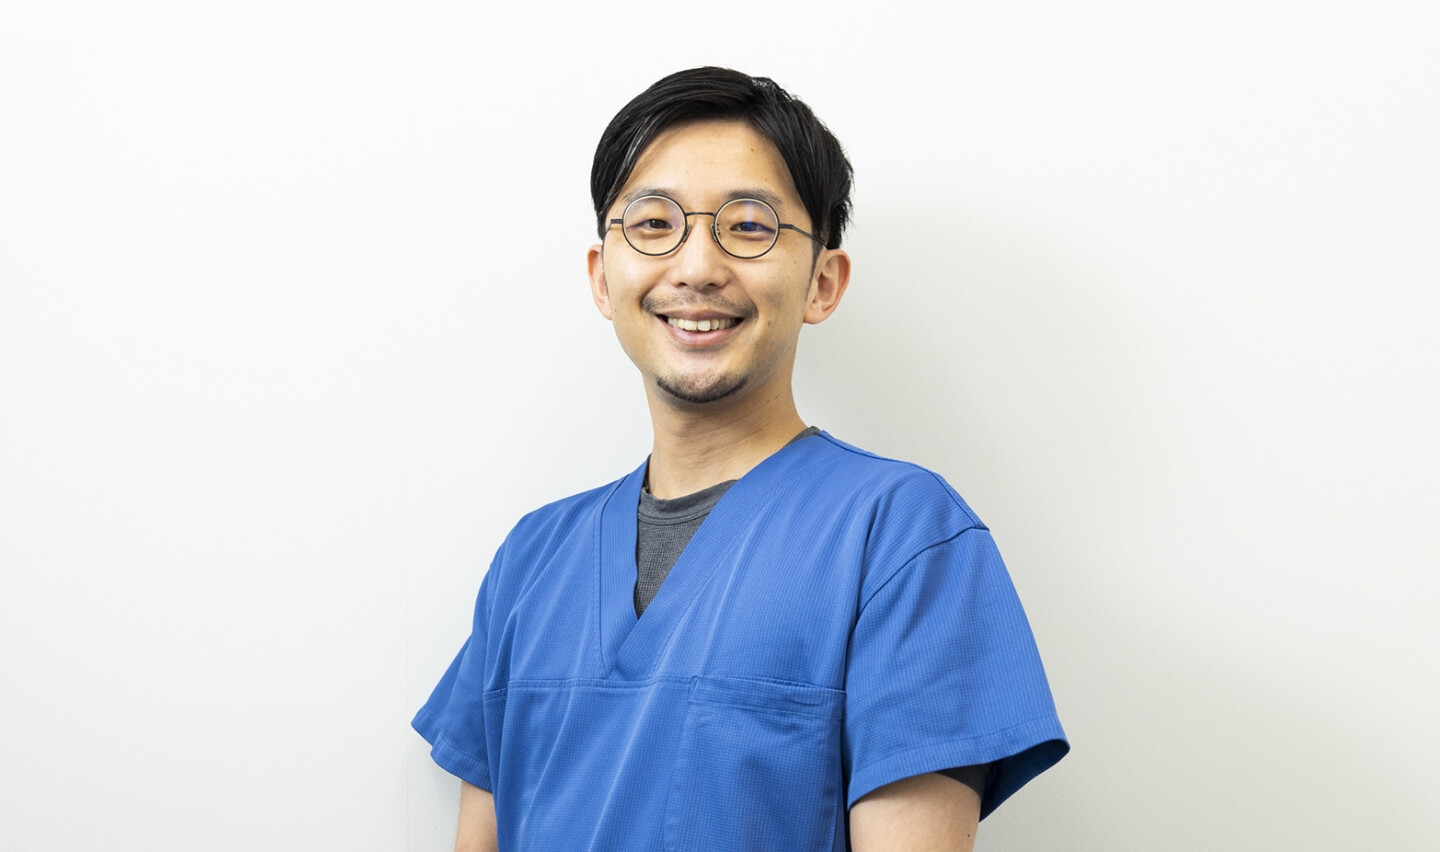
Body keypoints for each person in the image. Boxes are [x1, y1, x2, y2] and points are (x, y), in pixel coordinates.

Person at [413, 66, 1068, 851]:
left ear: (822, 282)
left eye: (750, 226)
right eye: (653, 223)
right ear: (602, 277)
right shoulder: (531, 559)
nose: (696, 268)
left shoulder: (901, 538)